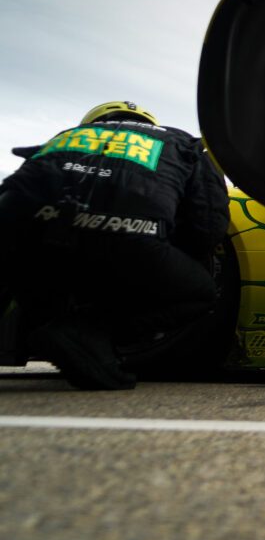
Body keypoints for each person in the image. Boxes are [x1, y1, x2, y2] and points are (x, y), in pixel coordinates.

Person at [0, 101, 230, 389]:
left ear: (91, 122)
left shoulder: (63, 137)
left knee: (23, 259)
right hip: (127, 241)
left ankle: (57, 330)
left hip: (28, 238)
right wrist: (175, 256)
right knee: (200, 292)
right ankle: (87, 331)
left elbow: (10, 196)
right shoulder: (183, 143)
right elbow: (208, 224)